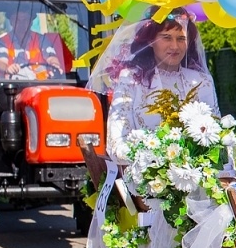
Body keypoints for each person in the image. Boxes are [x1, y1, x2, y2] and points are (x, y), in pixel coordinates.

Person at [89, 11, 218, 159]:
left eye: (181, 39)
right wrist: (159, 162)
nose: (175, 46)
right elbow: (116, 144)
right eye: (167, 38)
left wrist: (227, 177)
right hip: (145, 176)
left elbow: (218, 136)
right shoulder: (131, 79)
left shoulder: (203, 81)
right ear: (151, 41)